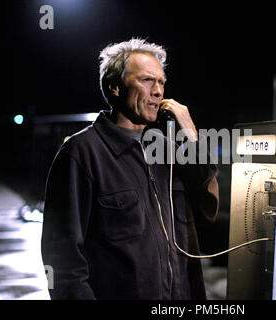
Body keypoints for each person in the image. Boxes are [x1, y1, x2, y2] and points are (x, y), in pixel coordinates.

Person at [41, 38, 219, 300]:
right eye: (147, 80)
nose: (157, 91)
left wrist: (191, 134)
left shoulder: (167, 152)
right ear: (114, 87)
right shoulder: (81, 153)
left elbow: (207, 209)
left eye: (161, 82)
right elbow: (62, 259)